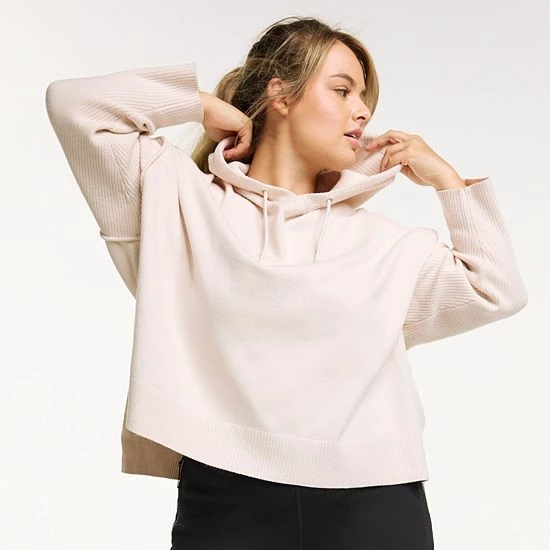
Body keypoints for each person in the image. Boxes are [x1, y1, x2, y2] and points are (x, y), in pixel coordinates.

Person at [45, 15, 527, 550]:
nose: (362, 111)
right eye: (342, 90)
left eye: (363, 98)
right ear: (280, 94)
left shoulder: (385, 245)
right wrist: (202, 105)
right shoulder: (175, 201)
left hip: (375, 503)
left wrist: (448, 182)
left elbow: (496, 288)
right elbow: (76, 105)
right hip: (227, 501)